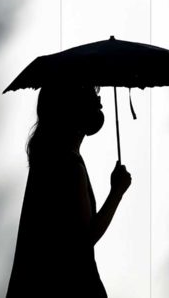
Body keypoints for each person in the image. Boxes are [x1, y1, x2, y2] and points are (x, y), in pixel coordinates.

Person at [7, 85, 132, 297]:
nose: (100, 102)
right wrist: (116, 193)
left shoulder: (49, 158)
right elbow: (84, 239)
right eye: (93, 95)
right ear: (74, 107)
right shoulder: (70, 166)